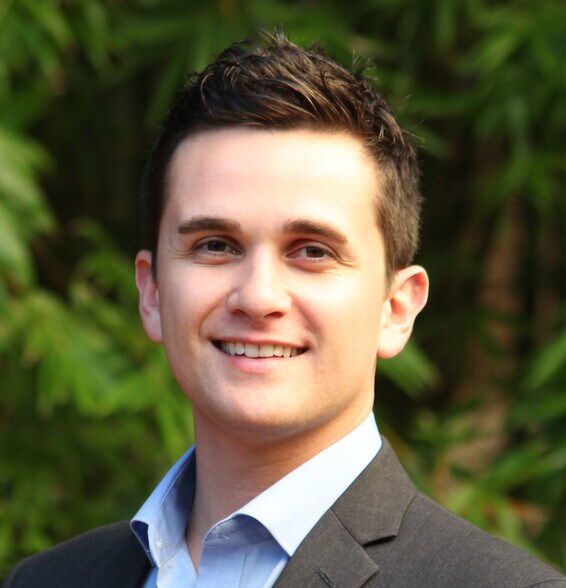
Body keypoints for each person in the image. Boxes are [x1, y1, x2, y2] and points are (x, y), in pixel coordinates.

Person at [3, 31, 565, 588]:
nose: (258, 297)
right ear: (151, 294)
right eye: (216, 245)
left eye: (312, 252)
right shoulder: (44, 581)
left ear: (395, 308)